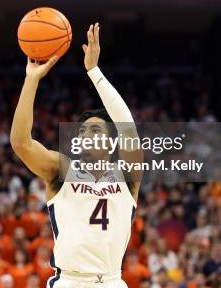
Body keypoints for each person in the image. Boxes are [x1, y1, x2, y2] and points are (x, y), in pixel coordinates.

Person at [10, 23, 142, 287]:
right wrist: (31, 80)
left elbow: (127, 128)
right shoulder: (63, 170)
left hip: (112, 281)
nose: (84, 135)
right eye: (81, 131)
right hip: (70, 282)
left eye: (94, 130)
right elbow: (21, 143)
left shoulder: (127, 176)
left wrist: (94, 72)